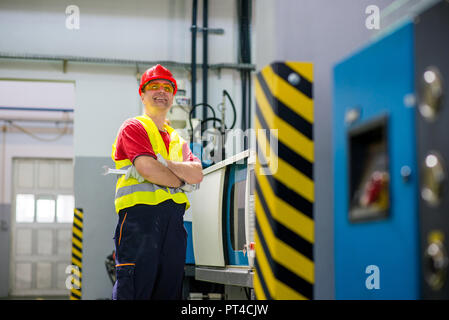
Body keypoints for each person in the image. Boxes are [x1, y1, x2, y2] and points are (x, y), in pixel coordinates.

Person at [110, 64, 203, 300]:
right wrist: (182, 180)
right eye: (154, 87)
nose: (161, 92)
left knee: (169, 291)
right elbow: (148, 169)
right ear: (143, 94)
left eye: (167, 88)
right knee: (135, 290)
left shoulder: (177, 139)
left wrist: (166, 164)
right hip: (139, 221)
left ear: (173, 96)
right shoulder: (134, 127)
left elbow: (197, 174)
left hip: (173, 223)